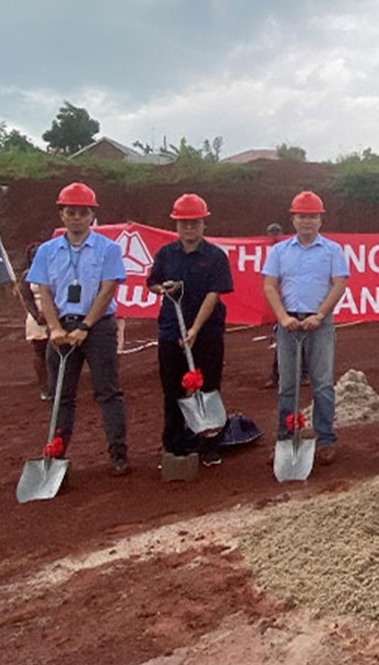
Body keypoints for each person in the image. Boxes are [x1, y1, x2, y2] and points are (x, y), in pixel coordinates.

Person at [27, 182, 131, 475]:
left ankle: (118, 454)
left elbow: (107, 289)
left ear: (91, 216)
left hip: (97, 328)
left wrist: (86, 326)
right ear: (61, 214)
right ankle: (56, 454)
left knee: (108, 392)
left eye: (82, 213)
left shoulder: (107, 249)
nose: (76, 218)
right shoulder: (47, 251)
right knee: (61, 395)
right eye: (70, 212)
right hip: (62, 328)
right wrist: (55, 328)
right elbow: (44, 291)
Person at [262, 191, 349, 465]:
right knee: (287, 385)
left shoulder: (332, 250)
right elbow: (269, 285)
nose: (307, 222)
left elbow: (339, 284)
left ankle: (325, 438)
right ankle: (286, 436)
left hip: (319, 324)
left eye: (312, 216)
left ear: (320, 220)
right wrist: (282, 317)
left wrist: (320, 315)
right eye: (302, 216)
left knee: (323, 384)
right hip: (288, 324)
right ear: (294, 219)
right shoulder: (279, 251)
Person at [146, 193, 234, 466]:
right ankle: (173, 445)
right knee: (172, 389)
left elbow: (214, 294)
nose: (189, 228)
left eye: (194, 223)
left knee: (208, 388)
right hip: (171, 329)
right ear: (176, 226)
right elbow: (152, 283)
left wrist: (195, 328)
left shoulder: (215, 257)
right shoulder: (166, 254)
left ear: (203, 224)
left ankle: (208, 446)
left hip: (206, 332)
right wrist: (163, 289)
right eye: (184, 223)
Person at [19, 241, 51, 400]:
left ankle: (59, 384)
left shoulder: (55, 271)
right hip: (37, 317)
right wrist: (37, 315)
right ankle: (44, 387)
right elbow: (27, 299)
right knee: (40, 352)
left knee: (58, 351)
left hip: (56, 313)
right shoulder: (27, 275)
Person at [263, 223, 285, 388]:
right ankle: (277, 375)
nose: (274, 236)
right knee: (281, 340)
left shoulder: (287, 249)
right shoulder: (267, 251)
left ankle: (304, 373)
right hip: (275, 302)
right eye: (271, 233)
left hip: (289, 301)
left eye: (276, 233)